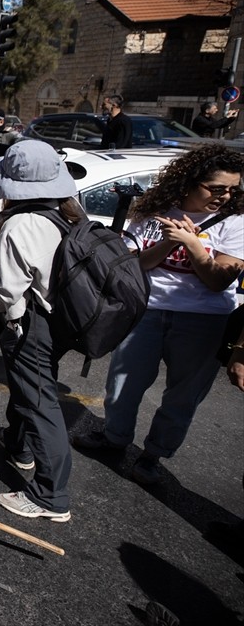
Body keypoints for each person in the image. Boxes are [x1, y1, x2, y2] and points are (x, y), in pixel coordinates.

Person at [72, 144, 244, 486]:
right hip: (147, 311)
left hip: (204, 320)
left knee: (183, 395)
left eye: (233, 190)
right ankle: (115, 438)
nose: (225, 197)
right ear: (189, 182)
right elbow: (137, 263)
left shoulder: (236, 222)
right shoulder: (153, 212)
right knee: (122, 384)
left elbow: (216, 280)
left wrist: (194, 245)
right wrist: (170, 242)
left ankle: (154, 455)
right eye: (217, 188)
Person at [0, 138, 83, 522]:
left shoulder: (19, 224)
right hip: (60, 319)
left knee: (40, 403)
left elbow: (8, 290)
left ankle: (50, 496)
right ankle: (19, 447)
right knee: (32, 388)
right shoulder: (68, 211)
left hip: (31, 323)